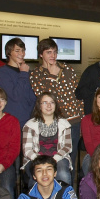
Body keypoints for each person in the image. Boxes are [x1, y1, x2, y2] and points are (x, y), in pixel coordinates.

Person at [30, 38, 84, 169]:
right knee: (52, 162)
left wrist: (82, 118)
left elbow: (75, 95)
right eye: (48, 52)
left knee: (70, 161)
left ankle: (68, 189)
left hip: (73, 121)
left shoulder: (67, 68)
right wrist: (53, 76)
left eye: (54, 52)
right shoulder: (36, 74)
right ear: (41, 55)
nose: (53, 55)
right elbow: (46, 99)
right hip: (52, 123)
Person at [22, 92, 73, 186]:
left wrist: (55, 159)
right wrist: (40, 160)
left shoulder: (64, 124)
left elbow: (67, 146)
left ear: (55, 105)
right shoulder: (29, 125)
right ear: (39, 105)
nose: (49, 105)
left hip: (58, 158)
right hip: (35, 159)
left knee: (63, 174)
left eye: (52, 102)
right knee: (36, 179)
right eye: (45, 102)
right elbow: (27, 150)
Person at [0, 37, 35, 128]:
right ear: (9, 53)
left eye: (23, 50)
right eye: (17, 51)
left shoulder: (28, 72)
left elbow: (32, 97)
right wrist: (23, 74)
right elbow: (15, 96)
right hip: (12, 121)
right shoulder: (2, 72)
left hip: (29, 120)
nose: (21, 54)